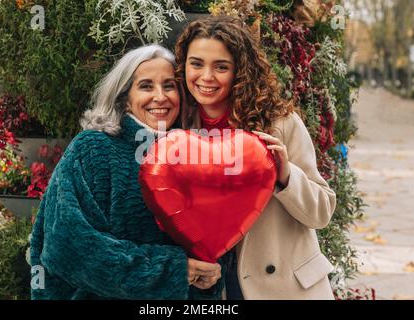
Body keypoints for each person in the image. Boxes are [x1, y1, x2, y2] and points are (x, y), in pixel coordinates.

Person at [29, 44, 223, 300]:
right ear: (124, 99)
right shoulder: (93, 148)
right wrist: (171, 270)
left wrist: (207, 282)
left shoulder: (192, 157)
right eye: (145, 86)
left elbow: (201, 251)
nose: (160, 96)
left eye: (169, 86)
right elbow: (68, 244)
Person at [174, 15, 337, 300]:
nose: (206, 77)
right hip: (216, 284)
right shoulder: (178, 128)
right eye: (196, 63)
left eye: (221, 67)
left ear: (240, 71)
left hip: (285, 286)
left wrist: (286, 177)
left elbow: (322, 212)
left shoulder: (280, 123)